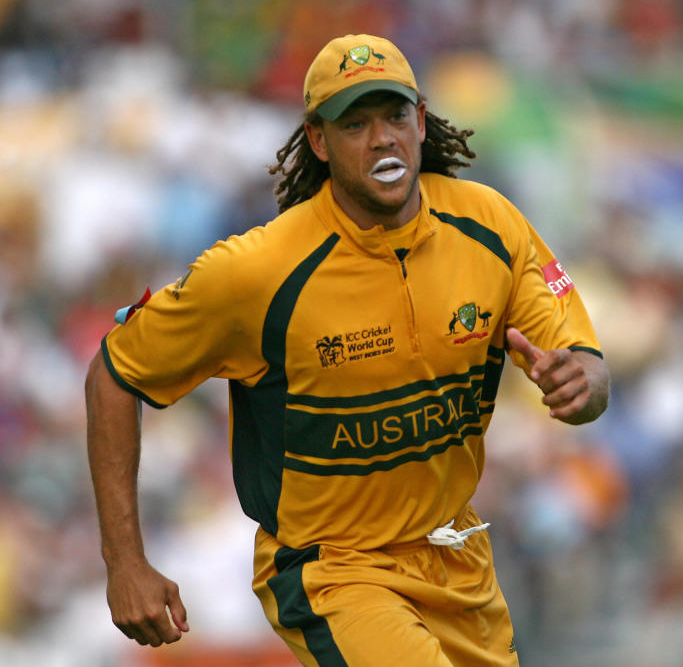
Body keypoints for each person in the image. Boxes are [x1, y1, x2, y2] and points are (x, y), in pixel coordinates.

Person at [85, 33, 610, 667]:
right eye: (354, 123)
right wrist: (124, 560)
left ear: (420, 121)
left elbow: (585, 365)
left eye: (394, 116)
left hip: (457, 556)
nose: (382, 138)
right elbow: (114, 376)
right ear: (318, 140)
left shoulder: (491, 224)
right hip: (330, 567)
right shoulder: (257, 274)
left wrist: (580, 386)